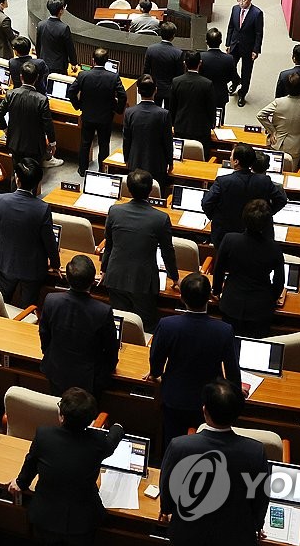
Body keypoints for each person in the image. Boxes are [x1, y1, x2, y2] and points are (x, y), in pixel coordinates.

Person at [7, 388, 125, 545]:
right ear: (91, 421)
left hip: (45, 517)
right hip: (82, 522)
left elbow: (31, 463)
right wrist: (118, 427)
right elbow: (112, 439)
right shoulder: (98, 442)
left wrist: (21, 483)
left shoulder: (44, 435)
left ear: (62, 417)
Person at [159, 379, 270, 545]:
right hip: (236, 537)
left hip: (187, 536)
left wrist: (166, 509)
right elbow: (260, 496)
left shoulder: (179, 446)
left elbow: (167, 484)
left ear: (204, 410)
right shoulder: (255, 452)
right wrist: (257, 524)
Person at [146, 273, 241, 451]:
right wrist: (235, 390)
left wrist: (156, 374)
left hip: (175, 397)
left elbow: (156, 357)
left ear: (182, 298)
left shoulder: (167, 325)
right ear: (209, 298)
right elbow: (232, 369)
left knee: (174, 447)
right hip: (210, 401)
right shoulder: (224, 330)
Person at [102, 170, 179, 330]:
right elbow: (167, 252)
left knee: (119, 324)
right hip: (143, 282)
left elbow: (109, 244)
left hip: (115, 276)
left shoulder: (114, 211)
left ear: (128, 190)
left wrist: (104, 268)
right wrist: (175, 278)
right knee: (145, 327)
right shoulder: (160, 218)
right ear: (151, 190)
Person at [38, 254, 119, 395]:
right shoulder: (102, 311)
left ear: (67, 278)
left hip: (56, 370)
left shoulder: (51, 301)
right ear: (93, 280)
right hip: (88, 379)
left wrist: (50, 355)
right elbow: (111, 348)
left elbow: (44, 333)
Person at [0, 159, 60, 307]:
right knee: (26, 310)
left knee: (1, 303)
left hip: (5, 262)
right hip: (31, 269)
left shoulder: (0, 200)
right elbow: (49, 241)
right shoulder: (42, 209)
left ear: (17, 179)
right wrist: (55, 264)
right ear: (37, 183)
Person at [212, 199, 284, 338]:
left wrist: (216, 290)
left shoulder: (229, 240)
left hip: (231, 304)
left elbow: (219, 268)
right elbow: (279, 281)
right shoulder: (274, 248)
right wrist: (272, 298)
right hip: (260, 309)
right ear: (268, 223)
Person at [202, 143, 287, 248]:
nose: (230, 157)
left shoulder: (223, 182)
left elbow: (206, 203)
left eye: (231, 156)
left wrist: (219, 218)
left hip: (227, 235)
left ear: (236, 162)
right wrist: (265, 214)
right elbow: (281, 200)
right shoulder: (264, 181)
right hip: (258, 234)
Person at [70, 48, 126, 176]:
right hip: (106, 117)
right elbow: (123, 95)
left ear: (92, 61)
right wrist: (118, 109)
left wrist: (78, 105)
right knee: (104, 144)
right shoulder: (113, 77)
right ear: (106, 61)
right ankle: (102, 170)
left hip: (88, 115)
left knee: (85, 143)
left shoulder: (83, 75)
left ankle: (82, 169)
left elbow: (71, 91)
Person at [0, 62, 58, 169]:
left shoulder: (11, 94)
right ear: (37, 78)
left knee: (16, 173)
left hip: (15, 143)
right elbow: (48, 124)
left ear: (21, 77)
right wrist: (52, 143)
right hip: (34, 146)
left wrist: (5, 130)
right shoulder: (41, 99)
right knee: (33, 177)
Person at [257, 72, 300, 170]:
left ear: (287, 87)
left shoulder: (278, 102)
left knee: (273, 171)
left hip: (277, 141)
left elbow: (261, 115)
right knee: (290, 172)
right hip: (296, 145)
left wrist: (272, 131)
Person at [122, 77, 173, 190]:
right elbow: (167, 141)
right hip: (157, 164)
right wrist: (170, 162)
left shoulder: (129, 113)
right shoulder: (164, 114)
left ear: (138, 90)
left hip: (135, 162)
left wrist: (126, 159)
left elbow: (126, 139)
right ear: (155, 90)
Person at [169, 51, 216, 152]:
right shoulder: (207, 84)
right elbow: (211, 108)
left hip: (181, 127)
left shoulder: (176, 81)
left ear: (185, 63)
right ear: (200, 63)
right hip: (201, 129)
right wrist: (212, 124)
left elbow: (172, 106)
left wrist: (172, 124)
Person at [225, 0, 263, 106]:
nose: (241, 3)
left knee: (246, 72)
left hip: (248, 47)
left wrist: (256, 50)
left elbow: (258, 33)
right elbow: (231, 27)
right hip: (234, 44)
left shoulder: (257, 13)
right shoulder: (235, 9)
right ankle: (236, 80)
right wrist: (228, 43)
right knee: (229, 67)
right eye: (239, 0)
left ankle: (242, 94)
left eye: (243, 0)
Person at [143, 22, 184, 106]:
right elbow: (179, 75)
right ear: (173, 36)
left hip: (154, 88)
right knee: (168, 114)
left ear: (160, 34)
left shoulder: (151, 49)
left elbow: (146, 70)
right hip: (170, 90)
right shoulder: (178, 53)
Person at [36, 0, 77, 77]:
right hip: (59, 66)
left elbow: (38, 45)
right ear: (61, 11)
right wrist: (74, 63)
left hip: (43, 63)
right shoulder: (64, 28)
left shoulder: (41, 24)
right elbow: (69, 48)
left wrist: (39, 59)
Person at [200, 28, 239, 111]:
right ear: (221, 42)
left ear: (206, 42)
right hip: (220, 95)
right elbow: (233, 77)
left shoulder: (200, 57)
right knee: (219, 120)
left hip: (203, 94)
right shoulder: (229, 58)